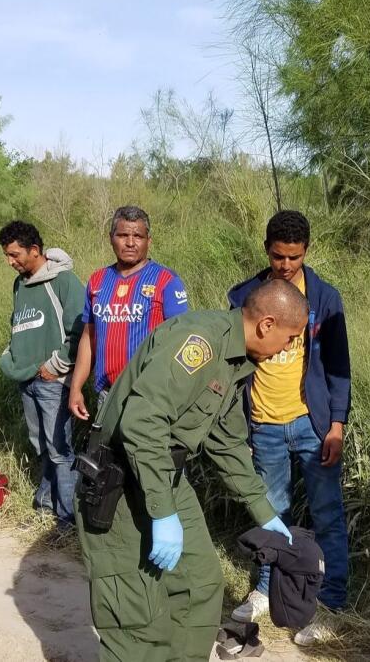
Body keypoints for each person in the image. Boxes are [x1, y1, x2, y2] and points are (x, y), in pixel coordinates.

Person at [76, 279, 305, 662]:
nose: (288, 347)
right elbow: (142, 422)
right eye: (290, 337)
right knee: (137, 617)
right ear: (267, 325)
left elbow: (227, 442)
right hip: (117, 483)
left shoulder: (235, 362)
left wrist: (265, 513)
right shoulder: (201, 342)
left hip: (164, 474)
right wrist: (163, 513)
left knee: (199, 584)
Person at [226, 210, 352, 646]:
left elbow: (339, 369)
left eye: (294, 257)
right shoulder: (244, 296)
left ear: (306, 252)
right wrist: (236, 435)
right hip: (262, 426)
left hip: (311, 426)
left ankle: (332, 601)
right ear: (267, 250)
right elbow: (232, 369)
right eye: (278, 256)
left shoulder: (325, 298)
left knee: (328, 516)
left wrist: (335, 426)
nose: (285, 265)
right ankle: (265, 589)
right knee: (270, 515)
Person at [0, 220, 85, 529]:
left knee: (60, 449)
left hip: (53, 382)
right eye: (7, 255)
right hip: (27, 381)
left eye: (15, 254)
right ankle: (45, 504)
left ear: (35, 250)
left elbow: (80, 331)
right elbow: (18, 327)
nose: (11, 262)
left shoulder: (64, 281)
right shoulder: (20, 284)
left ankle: (68, 520)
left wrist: (56, 365)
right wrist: (9, 358)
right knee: (42, 446)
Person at [68, 205, 189, 420]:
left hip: (149, 396)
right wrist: (75, 388)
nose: (130, 242)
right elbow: (89, 337)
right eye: (122, 235)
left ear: (148, 241)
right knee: (106, 453)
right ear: (110, 237)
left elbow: (182, 340)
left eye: (138, 236)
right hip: (107, 394)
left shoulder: (166, 281)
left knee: (144, 454)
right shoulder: (97, 281)